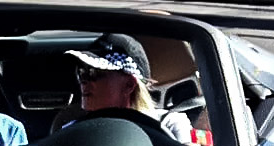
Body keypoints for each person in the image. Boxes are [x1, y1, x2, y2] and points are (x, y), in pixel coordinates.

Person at [63, 33, 192, 140]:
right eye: (81, 72)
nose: (84, 81)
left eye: (94, 73)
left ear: (129, 85)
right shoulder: (71, 131)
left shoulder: (170, 124)